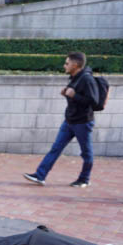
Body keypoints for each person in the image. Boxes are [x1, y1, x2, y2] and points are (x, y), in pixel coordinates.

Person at [23, 52, 99, 188]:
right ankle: (40, 175)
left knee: (86, 152)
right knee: (55, 148)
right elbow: (75, 100)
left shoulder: (87, 79)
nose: (64, 66)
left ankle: (84, 179)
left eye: (67, 63)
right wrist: (67, 95)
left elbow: (94, 102)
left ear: (75, 65)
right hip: (69, 121)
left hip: (82, 122)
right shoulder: (74, 77)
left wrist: (74, 96)